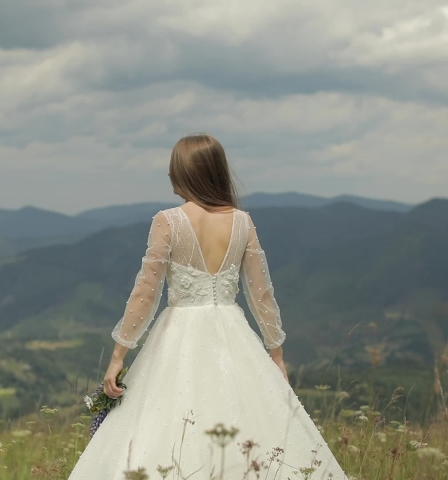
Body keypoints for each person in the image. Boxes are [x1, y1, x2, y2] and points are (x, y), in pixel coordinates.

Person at [68, 134, 346, 479]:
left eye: (173, 168)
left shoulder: (168, 221)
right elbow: (261, 294)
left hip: (178, 335)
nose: (169, 175)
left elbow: (145, 293)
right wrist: (275, 355)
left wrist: (118, 356)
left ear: (186, 172)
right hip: (234, 333)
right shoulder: (242, 222)